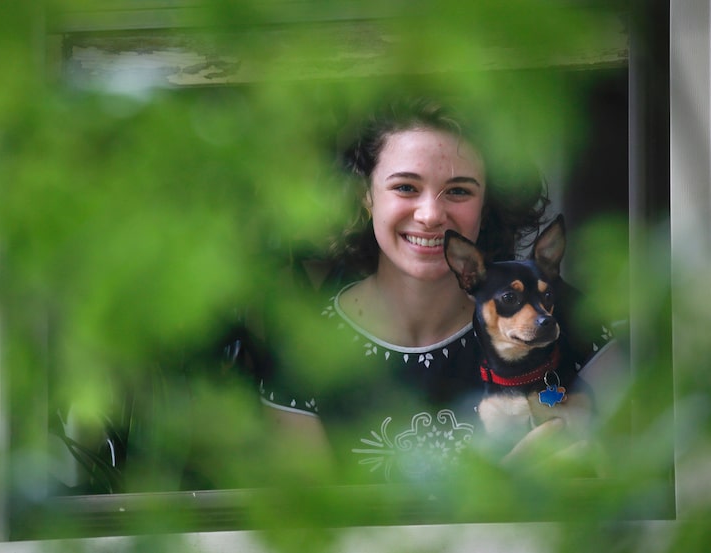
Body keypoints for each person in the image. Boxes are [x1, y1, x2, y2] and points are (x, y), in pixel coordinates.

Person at [257, 99, 619, 485]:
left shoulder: (560, 316)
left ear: (487, 203)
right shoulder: (302, 348)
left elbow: (640, 477)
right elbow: (314, 531)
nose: (430, 215)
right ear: (366, 196)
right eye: (406, 187)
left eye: (458, 192)